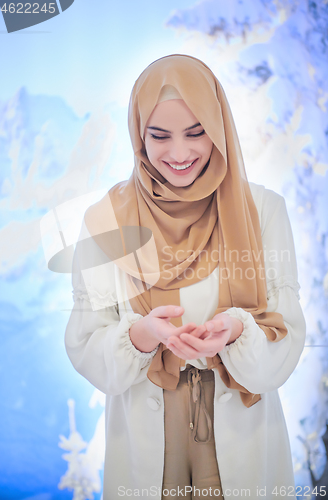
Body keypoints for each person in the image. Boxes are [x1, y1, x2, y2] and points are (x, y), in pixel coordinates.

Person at [65, 54, 306, 499]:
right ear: (139, 136)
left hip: (242, 429)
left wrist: (236, 332)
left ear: (219, 128)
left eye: (197, 133)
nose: (179, 154)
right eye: (159, 136)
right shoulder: (105, 221)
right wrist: (138, 336)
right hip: (145, 435)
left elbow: (286, 340)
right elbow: (86, 344)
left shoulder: (262, 211)